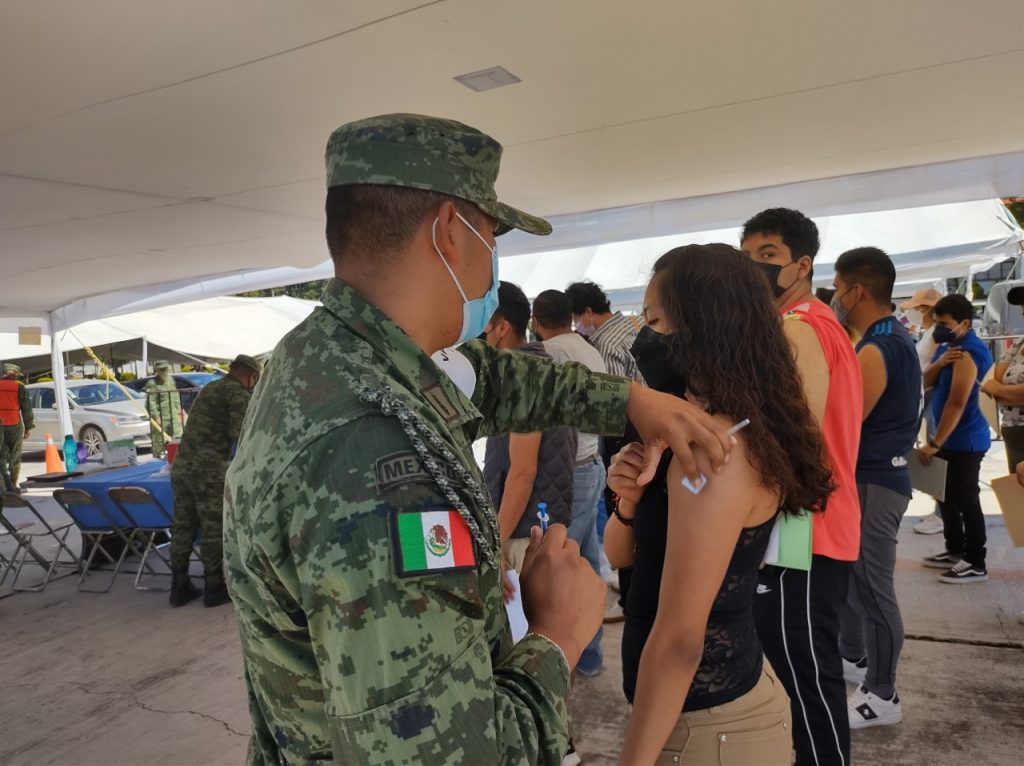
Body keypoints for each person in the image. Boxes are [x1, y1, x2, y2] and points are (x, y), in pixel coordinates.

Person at [221, 113, 735, 766]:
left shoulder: (337, 355)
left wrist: (630, 399)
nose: (494, 258)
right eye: (491, 233)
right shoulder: (377, 456)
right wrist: (557, 636)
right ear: (448, 233)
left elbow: (487, 382)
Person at [604, 244, 835, 764]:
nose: (647, 339)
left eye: (657, 321)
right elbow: (622, 557)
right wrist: (631, 500)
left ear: (704, 326)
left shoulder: (719, 451)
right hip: (688, 712)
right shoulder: (692, 434)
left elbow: (682, 637)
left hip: (708, 728)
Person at [740, 207, 862, 766]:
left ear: (802, 264)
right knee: (804, 676)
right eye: (748, 258)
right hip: (812, 529)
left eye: (768, 256)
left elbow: (797, 437)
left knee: (804, 683)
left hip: (801, 532)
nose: (756, 269)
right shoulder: (825, 327)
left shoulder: (799, 328)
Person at [831, 248, 922, 729]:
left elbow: (845, 426)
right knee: (852, 581)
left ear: (856, 291)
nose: (836, 298)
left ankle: (882, 695)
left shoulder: (878, 348)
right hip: (872, 479)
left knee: (872, 588)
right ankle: (855, 659)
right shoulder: (890, 338)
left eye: (838, 288)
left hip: (874, 481)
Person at [533, 288, 609, 677]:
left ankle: (575, 655)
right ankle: (591, 653)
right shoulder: (586, 346)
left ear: (535, 322)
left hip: (574, 468)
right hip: (593, 463)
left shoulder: (552, 353)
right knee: (587, 558)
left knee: (565, 565)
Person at [482, 282, 577, 572]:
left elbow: (523, 472)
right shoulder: (542, 367)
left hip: (524, 533)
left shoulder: (522, 377)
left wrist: (493, 544)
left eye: (480, 328)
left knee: (526, 614)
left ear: (501, 329)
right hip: (537, 523)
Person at [565, 280, 641, 623]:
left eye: (577, 318)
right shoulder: (630, 327)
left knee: (624, 521)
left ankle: (629, 599)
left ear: (588, 313)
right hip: (644, 438)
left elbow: (612, 407)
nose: (578, 326)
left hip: (626, 443)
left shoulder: (606, 343)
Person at [169, 354, 260, 608]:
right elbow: (241, 434)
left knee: (183, 525)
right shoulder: (237, 393)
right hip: (208, 471)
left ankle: (178, 585)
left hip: (183, 467)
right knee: (212, 527)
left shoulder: (211, 387)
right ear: (250, 376)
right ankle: (214, 586)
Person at [919, 294, 993, 583]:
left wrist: (935, 442)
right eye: (936, 323)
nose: (938, 329)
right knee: (945, 495)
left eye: (944, 323)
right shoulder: (950, 346)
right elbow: (925, 380)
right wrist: (939, 364)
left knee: (966, 498)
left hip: (964, 440)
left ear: (964, 323)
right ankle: (955, 549)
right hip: (947, 438)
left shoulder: (968, 351)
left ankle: (976, 561)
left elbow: (957, 403)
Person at [900, 287, 945, 535]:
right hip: (924, 397)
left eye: (917, 309)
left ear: (926, 309)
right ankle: (939, 511)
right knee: (931, 453)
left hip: (932, 398)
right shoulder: (929, 332)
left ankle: (942, 514)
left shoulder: (937, 332)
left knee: (935, 454)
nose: (913, 314)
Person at [981, 285, 1024, 472]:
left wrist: (999, 390)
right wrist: (1003, 392)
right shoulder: (1019, 342)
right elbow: (994, 378)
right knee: (1016, 498)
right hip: (1013, 432)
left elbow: (996, 387)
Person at [0, 363, 34, 492]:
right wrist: (28, 426)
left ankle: (4, 484)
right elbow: (26, 408)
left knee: (1, 457)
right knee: (15, 456)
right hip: (14, 425)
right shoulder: (19, 387)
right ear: (13, 374)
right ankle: (13, 484)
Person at [145, 361, 183, 458]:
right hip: (161, 416)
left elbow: (175, 396)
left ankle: (178, 457)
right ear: (157, 370)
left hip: (173, 415)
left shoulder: (170, 380)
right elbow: (151, 402)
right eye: (161, 370)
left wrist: (179, 410)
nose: (164, 372)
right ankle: (157, 459)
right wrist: (156, 416)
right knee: (159, 441)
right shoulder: (152, 383)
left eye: (165, 369)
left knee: (178, 437)